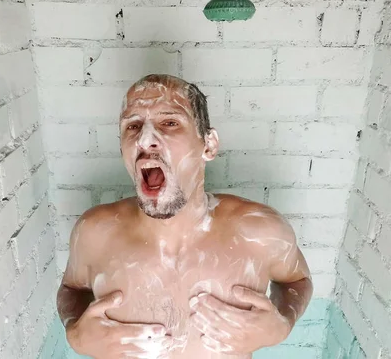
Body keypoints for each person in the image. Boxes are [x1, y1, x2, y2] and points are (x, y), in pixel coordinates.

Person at [56, 74, 313, 359]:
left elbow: (297, 280)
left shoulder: (260, 230)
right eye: (133, 126)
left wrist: (282, 325)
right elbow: (71, 288)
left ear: (208, 145)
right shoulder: (94, 232)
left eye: (169, 122)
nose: (145, 139)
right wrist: (75, 332)